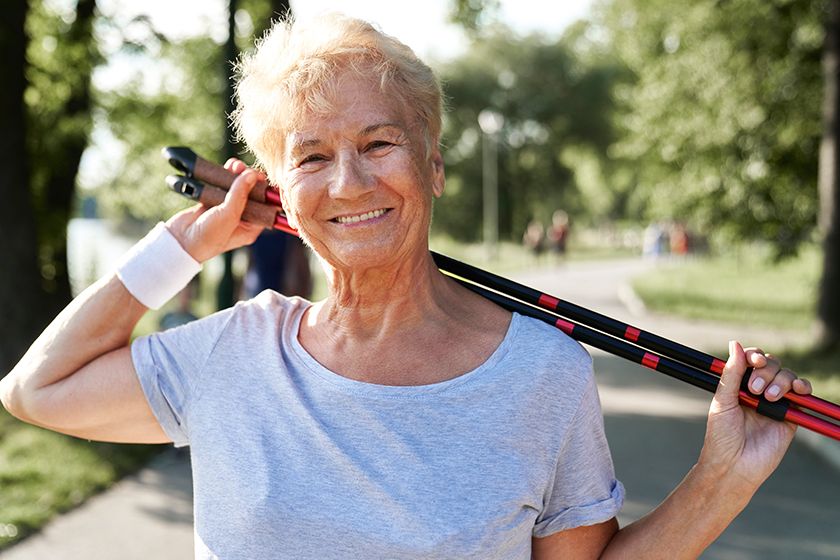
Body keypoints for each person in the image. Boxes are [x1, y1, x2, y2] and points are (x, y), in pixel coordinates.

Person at [0, 13, 812, 560]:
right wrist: (184, 244)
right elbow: (36, 390)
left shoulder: (542, 372)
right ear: (278, 190)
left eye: (379, 143)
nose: (348, 182)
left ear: (434, 166)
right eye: (311, 157)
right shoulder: (234, 352)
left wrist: (724, 478)